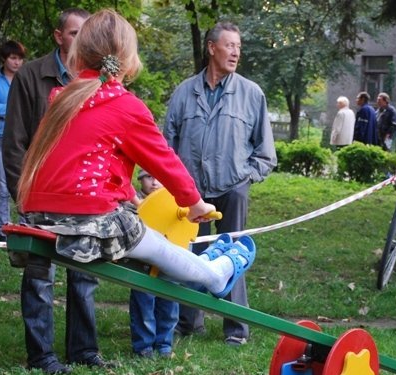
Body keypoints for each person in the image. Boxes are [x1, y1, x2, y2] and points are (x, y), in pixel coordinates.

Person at [15, 10, 256, 344]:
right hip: (87, 221)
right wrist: (196, 203)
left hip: (38, 216)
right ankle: (213, 276)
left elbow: (81, 163)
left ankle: (198, 279)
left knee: (144, 235)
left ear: (79, 52)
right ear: (127, 59)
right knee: (156, 245)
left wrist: (129, 195)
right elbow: (165, 162)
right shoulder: (125, 105)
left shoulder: (62, 99)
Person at [3, 8, 103, 375]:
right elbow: (14, 142)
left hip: (84, 196)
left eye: (87, 33)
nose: (82, 39)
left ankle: (84, 350)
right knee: (39, 276)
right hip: (41, 195)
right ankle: (41, 355)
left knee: (84, 275)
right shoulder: (31, 76)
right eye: (75, 33)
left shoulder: (99, 78)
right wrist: (23, 193)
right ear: (59, 36)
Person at [164, 21, 276, 346]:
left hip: (233, 188)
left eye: (238, 47)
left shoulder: (251, 94)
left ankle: (236, 330)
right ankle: (188, 323)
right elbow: (167, 141)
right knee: (190, 255)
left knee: (234, 256)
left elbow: (266, 152)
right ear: (211, 48)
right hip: (191, 192)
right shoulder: (185, 92)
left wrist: (245, 178)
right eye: (229, 45)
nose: (236, 52)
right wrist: (168, 181)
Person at [129, 170, 179, 358]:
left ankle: (164, 343)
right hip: (142, 263)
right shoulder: (132, 203)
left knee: (169, 302)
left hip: (169, 262)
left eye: (159, 177)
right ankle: (144, 346)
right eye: (149, 177)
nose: (155, 182)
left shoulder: (174, 202)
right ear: (140, 179)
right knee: (143, 303)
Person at [0, 40, 25, 241]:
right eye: (13, 58)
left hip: (23, 139)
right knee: (2, 186)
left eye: (20, 58)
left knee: (24, 184)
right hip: (0, 138)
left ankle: (25, 226)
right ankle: (3, 229)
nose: (17, 62)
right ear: (4, 59)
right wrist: (17, 108)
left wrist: (7, 108)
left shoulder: (26, 79)